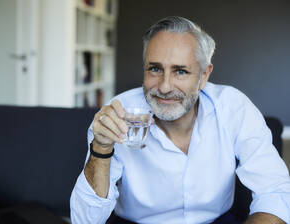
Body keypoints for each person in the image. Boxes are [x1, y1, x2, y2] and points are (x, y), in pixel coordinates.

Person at [70, 16, 290, 224]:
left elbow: (275, 191)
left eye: (180, 71)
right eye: (155, 69)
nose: (165, 87)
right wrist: (101, 148)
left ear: (204, 76)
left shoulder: (234, 107)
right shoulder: (117, 112)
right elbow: (85, 221)